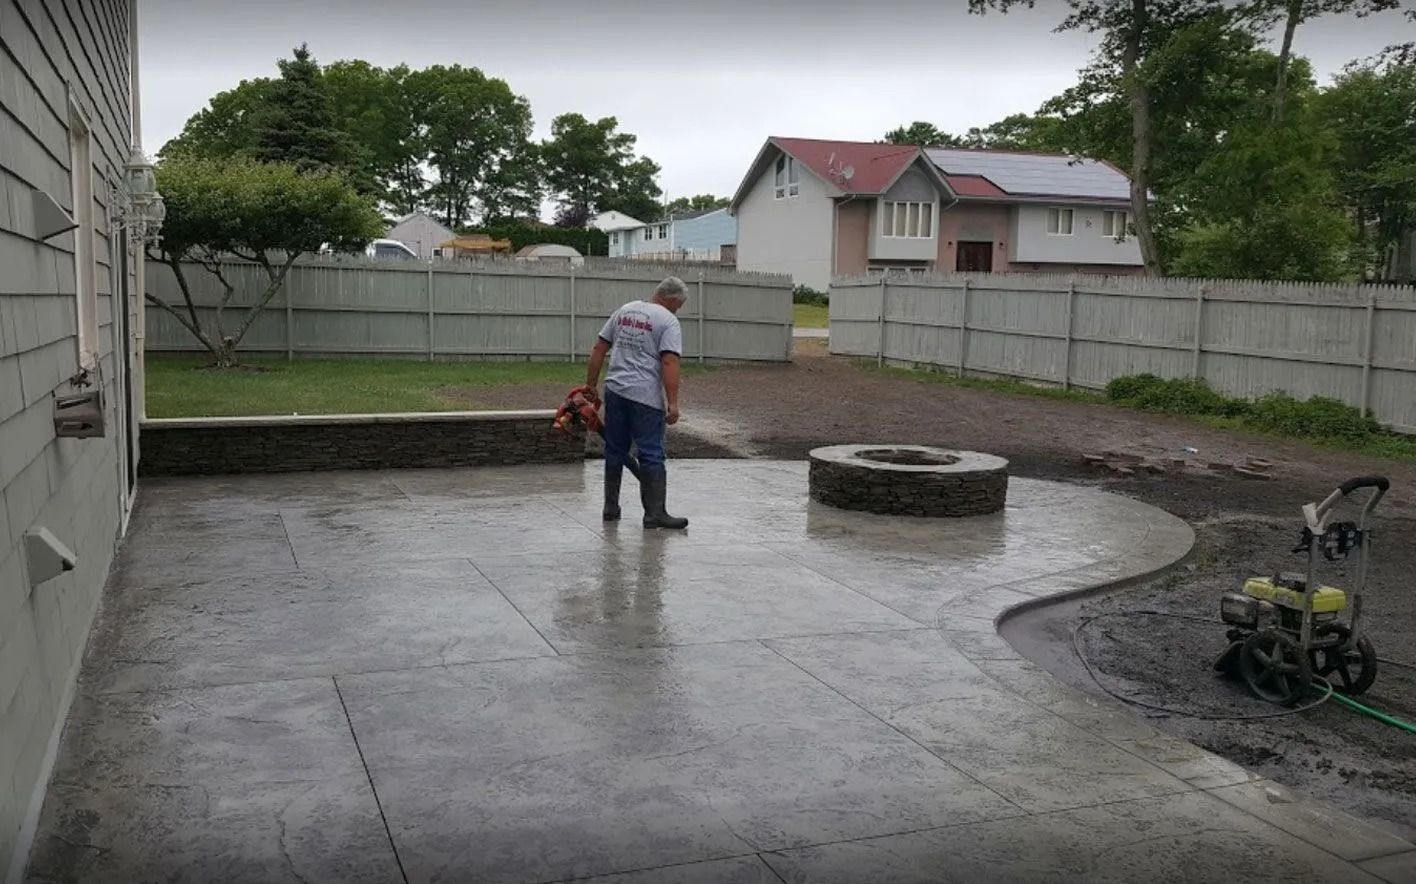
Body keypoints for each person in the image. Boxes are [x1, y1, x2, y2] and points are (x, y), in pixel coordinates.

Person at [585, 277, 690, 530]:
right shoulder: (668, 321)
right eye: (680, 304)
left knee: (615, 449)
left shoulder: (626, 309)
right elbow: (669, 362)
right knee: (651, 453)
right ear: (673, 300)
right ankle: (655, 514)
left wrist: (590, 385)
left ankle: (610, 508)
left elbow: (599, 347)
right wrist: (673, 403)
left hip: (615, 391)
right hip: (644, 397)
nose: (679, 309)